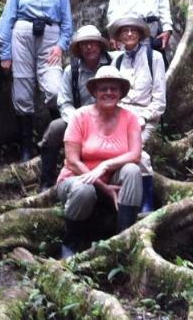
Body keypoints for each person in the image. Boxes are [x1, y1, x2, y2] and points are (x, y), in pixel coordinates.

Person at [0, 0, 74, 162]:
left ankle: (57, 142)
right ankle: (26, 148)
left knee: (56, 90)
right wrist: (5, 54)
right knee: (22, 89)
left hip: (50, 37)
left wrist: (61, 45)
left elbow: (67, 22)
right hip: (22, 35)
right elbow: (6, 21)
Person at [56, 65, 144, 257]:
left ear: (121, 92)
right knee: (84, 189)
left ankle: (124, 240)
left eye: (114, 88)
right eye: (103, 89)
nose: (109, 92)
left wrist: (105, 165)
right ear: (95, 92)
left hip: (112, 179)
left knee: (132, 170)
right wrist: (102, 187)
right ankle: (70, 244)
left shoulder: (130, 118)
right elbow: (72, 161)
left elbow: (135, 154)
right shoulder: (80, 116)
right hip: (76, 179)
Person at [38, 24, 112, 190]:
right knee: (54, 129)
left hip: (110, 118)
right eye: (84, 44)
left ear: (100, 44)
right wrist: (77, 120)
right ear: (79, 48)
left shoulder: (114, 63)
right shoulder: (72, 71)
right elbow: (64, 102)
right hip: (80, 119)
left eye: (92, 42)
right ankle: (46, 182)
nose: (89, 47)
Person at [108, 17, 166, 214]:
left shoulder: (154, 57)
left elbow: (159, 101)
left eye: (134, 30)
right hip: (119, 117)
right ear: (120, 36)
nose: (130, 34)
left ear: (140, 33)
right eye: (125, 31)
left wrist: (143, 118)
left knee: (136, 151)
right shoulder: (116, 60)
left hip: (145, 117)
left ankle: (146, 203)